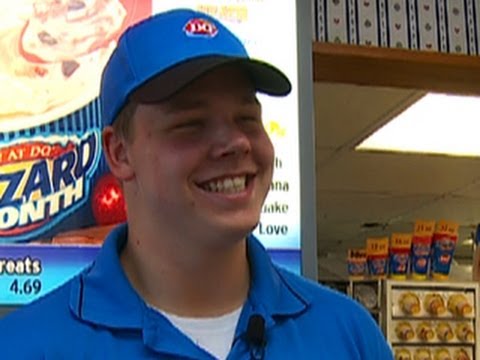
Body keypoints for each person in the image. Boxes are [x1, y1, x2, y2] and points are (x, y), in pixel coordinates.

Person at [0, 8, 393, 359]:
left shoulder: (349, 336)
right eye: (191, 124)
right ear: (119, 152)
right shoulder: (25, 347)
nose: (236, 142)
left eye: (247, 118)